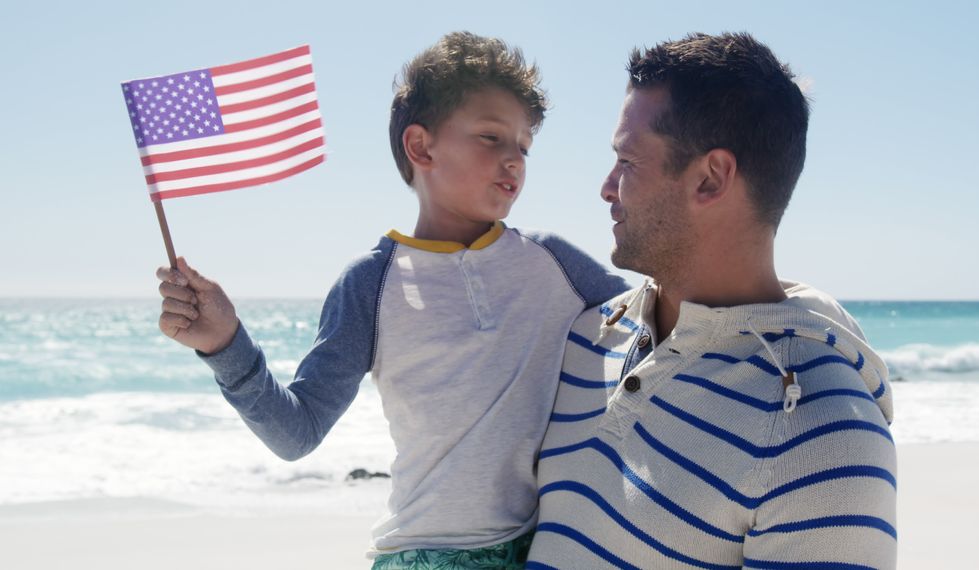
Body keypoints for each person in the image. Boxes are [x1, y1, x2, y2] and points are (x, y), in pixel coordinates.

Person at [155, 32, 628, 569]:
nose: (514, 160)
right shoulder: (371, 284)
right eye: (491, 137)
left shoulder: (555, 263)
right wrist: (225, 344)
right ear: (421, 147)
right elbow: (296, 433)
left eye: (523, 146)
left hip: (549, 546)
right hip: (422, 555)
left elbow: (658, 325)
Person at [527, 33, 897, 569]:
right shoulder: (590, 334)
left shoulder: (822, 435)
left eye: (627, 161)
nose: (607, 188)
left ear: (710, 177)